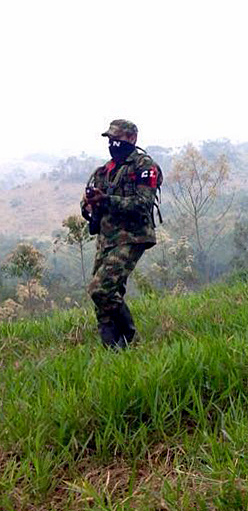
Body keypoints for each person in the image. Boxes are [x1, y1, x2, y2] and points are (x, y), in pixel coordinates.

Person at [81, 119, 162, 349]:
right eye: (110, 139)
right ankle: (113, 349)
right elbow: (87, 204)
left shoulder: (144, 166)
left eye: (118, 139)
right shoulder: (103, 172)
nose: (114, 143)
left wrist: (106, 200)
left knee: (100, 288)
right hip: (106, 239)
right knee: (105, 297)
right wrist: (88, 205)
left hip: (133, 236)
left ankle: (129, 335)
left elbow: (142, 204)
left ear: (132, 139)